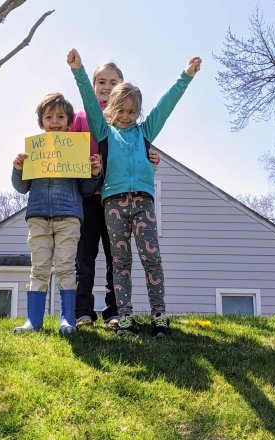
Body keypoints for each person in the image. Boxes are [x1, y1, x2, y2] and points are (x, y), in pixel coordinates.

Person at [67, 48, 201, 337]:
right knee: (121, 261)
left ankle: (158, 315)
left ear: (138, 113)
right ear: (110, 109)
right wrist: (79, 70)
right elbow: (89, 100)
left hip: (143, 203)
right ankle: (124, 316)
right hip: (112, 204)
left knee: (151, 258)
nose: (126, 116)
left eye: (132, 112)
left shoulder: (144, 132)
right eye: (121, 111)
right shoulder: (103, 132)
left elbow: (166, 106)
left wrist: (185, 77)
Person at [71, 62, 160, 329]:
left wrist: (149, 154)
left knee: (115, 257)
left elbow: (135, 149)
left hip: (116, 197)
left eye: (113, 82)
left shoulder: (126, 119)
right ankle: (83, 311)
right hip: (89, 194)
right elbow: (68, 150)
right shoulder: (83, 117)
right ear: (94, 85)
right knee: (84, 256)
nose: (107, 87)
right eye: (102, 82)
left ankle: (114, 311)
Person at [11, 92, 102, 335]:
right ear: (41, 123)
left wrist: (93, 173)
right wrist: (18, 169)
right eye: (49, 117)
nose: (55, 121)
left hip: (69, 217)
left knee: (65, 267)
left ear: (70, 122)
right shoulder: (34, 151)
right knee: (39, 267)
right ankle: (33, 320)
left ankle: (67, 319)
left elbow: (85, 189)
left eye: (61, 116)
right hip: (38, 216)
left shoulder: (76, 151)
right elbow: (21, 188)